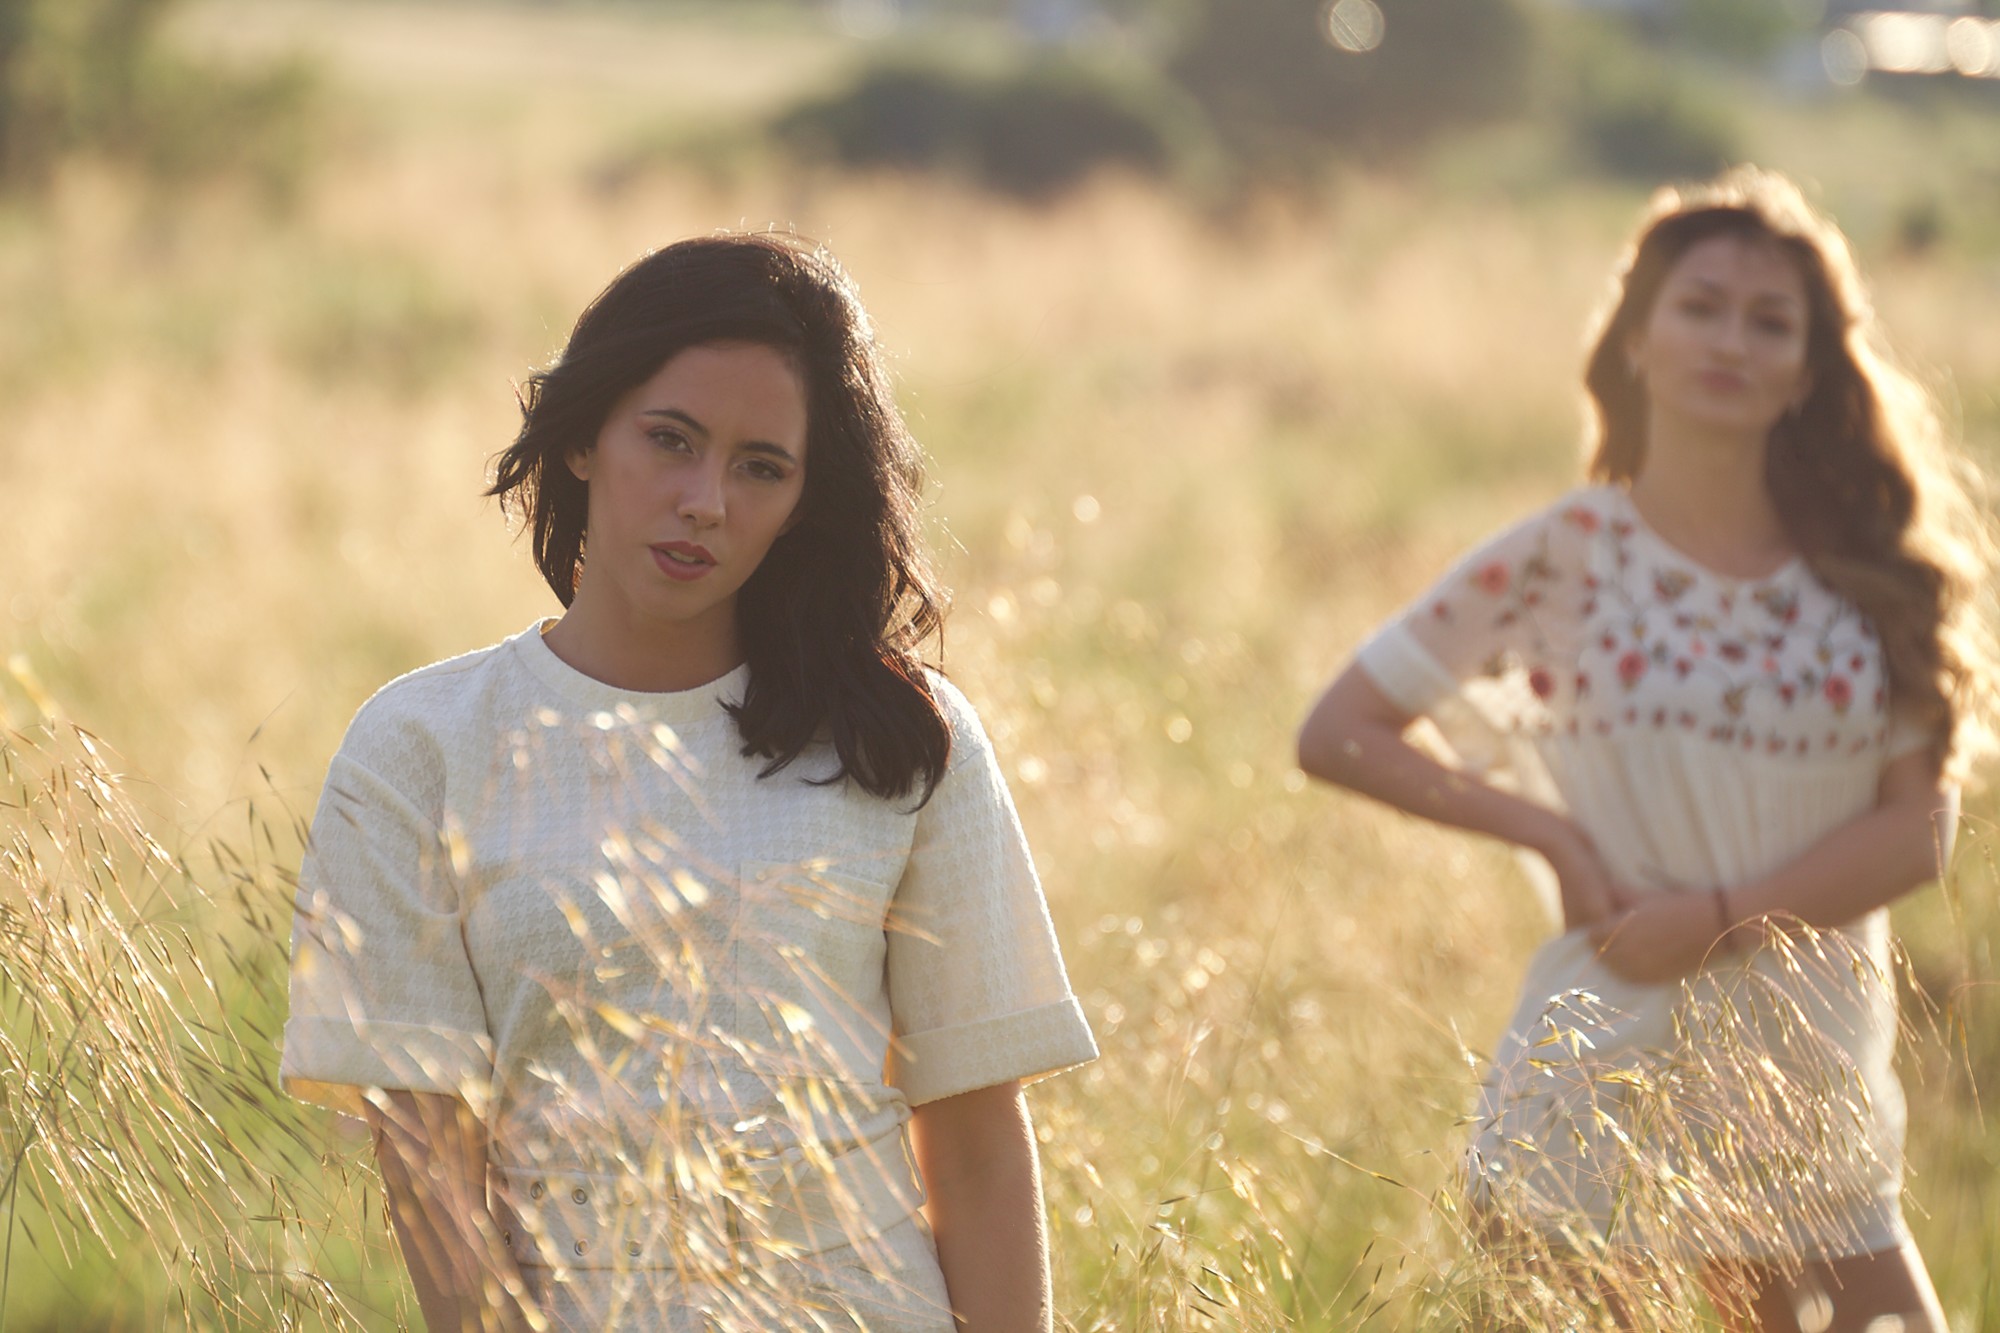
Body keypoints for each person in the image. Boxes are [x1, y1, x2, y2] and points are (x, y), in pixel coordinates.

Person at [281, 234, 1098, 1332]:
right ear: (583, 438)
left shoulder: (902, 738)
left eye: (761, 466)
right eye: (669, 440)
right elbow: (429, 1168)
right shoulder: (419, 745)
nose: (705, 499)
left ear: (805, 497)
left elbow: (977, 1144)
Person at [1297, 168, 1996, 1331]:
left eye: (1767, 321)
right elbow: (1336, 732)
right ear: (1634, 337)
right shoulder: (1559, 555)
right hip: (1594, 1074)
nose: (1728, 339)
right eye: (1698, 306)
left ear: (1806, 370)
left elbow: (1916, 831)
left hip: (1805, 1091)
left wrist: (1720, 915)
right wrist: (1548, 833)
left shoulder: (1876, 578)